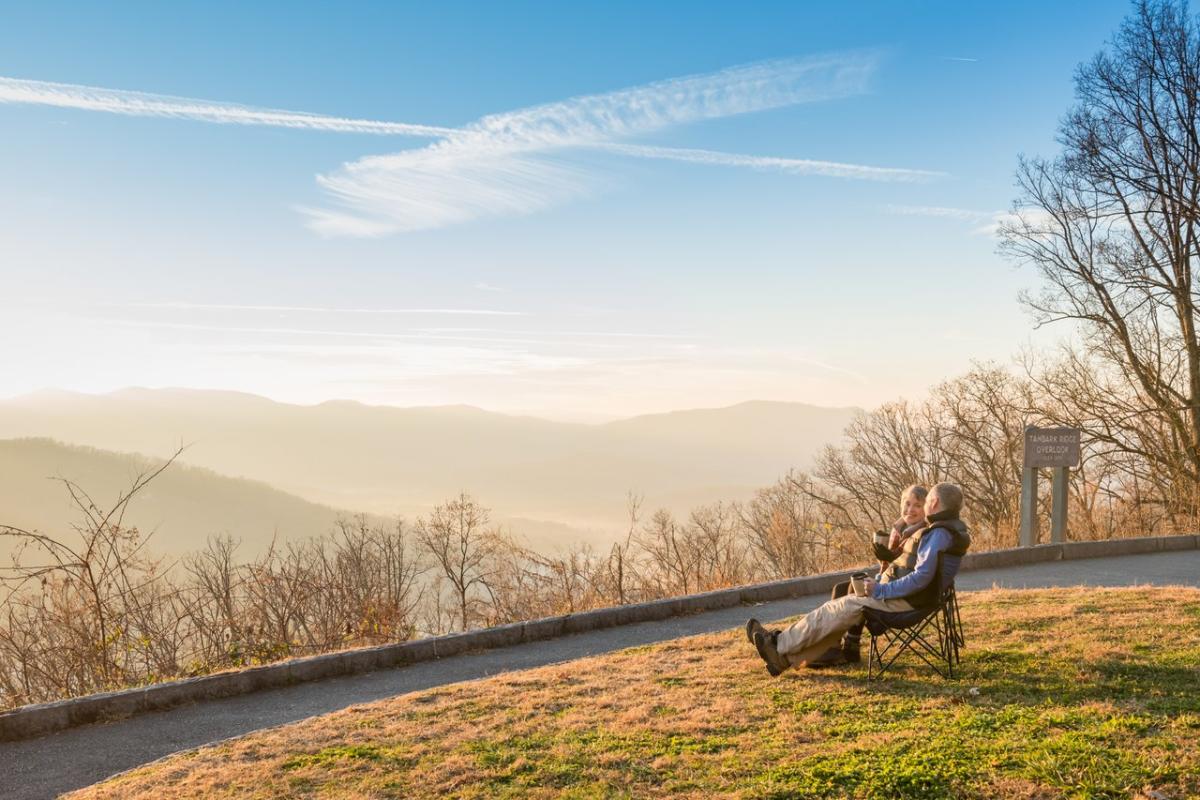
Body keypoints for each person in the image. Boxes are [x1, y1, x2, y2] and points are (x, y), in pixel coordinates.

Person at [745, 482, 971, 676]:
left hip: (907, 603)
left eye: (927, 499)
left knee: (839, 606)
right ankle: (784, 659)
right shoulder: (947, 530)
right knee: (841, 610)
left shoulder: (939, 534)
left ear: (933, 503)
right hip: (912, 598)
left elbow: (922, 577)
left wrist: (881, 591)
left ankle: (778, 644)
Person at [799, 484, 928, 667]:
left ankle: (847, 646)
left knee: (855, 587)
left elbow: (907, 567)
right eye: (907, 504)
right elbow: (891, 565)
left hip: (896, 593)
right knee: (841, 588)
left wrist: (886, 566)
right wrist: (883, 560)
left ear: (927, 508)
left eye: (917, 505)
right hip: (888, 580)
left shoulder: (921, 533)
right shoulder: (900, 529)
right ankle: (836, 646)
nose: (910, 509)